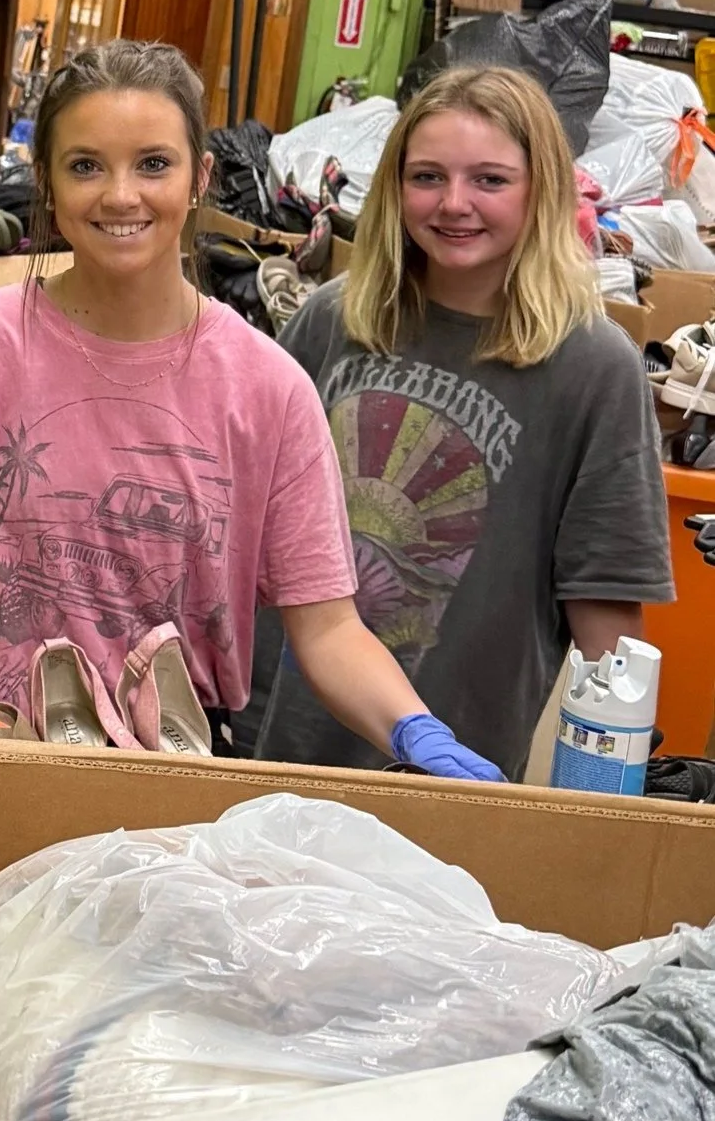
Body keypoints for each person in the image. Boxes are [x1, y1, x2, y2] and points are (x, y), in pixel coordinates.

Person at [0, 37, 494, 776]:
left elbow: (326, 629)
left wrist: (415, 728)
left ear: (201, 178)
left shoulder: (271, 391)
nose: (121, 195)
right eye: (86, 165)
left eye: (153, 163)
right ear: (47, 183)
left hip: (177, 787)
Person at [255, 63, 672, 779]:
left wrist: (614, 782)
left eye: (489, 179)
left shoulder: (594, 366)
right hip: (273, 738)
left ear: (539, 189)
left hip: (449, 767)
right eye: (426, 177)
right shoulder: (336, 319)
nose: (454, 204)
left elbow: (604, 602)